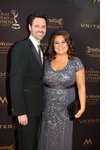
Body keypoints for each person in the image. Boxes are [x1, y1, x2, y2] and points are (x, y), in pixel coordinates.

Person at [38, 30, 86, 150]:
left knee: (62, 138)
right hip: (47, 107)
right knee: (46, 136)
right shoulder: (46, 61)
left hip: (65, 108)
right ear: (52, 45)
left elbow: (81, 86)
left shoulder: (76, 62)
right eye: (56, 43)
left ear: (68, 43)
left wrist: (83, 106)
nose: (60, 46)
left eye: (63, 42)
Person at [10, 12, 47, 150]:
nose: (40, 29)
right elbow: (15, 83)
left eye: (43, 26)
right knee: (25, 146)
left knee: (33, 145)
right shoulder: (21, 47)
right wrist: (20, 112)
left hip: (37, 108)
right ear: (29, 27)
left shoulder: (41, 49)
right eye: (37, 26)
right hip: (25, 110)